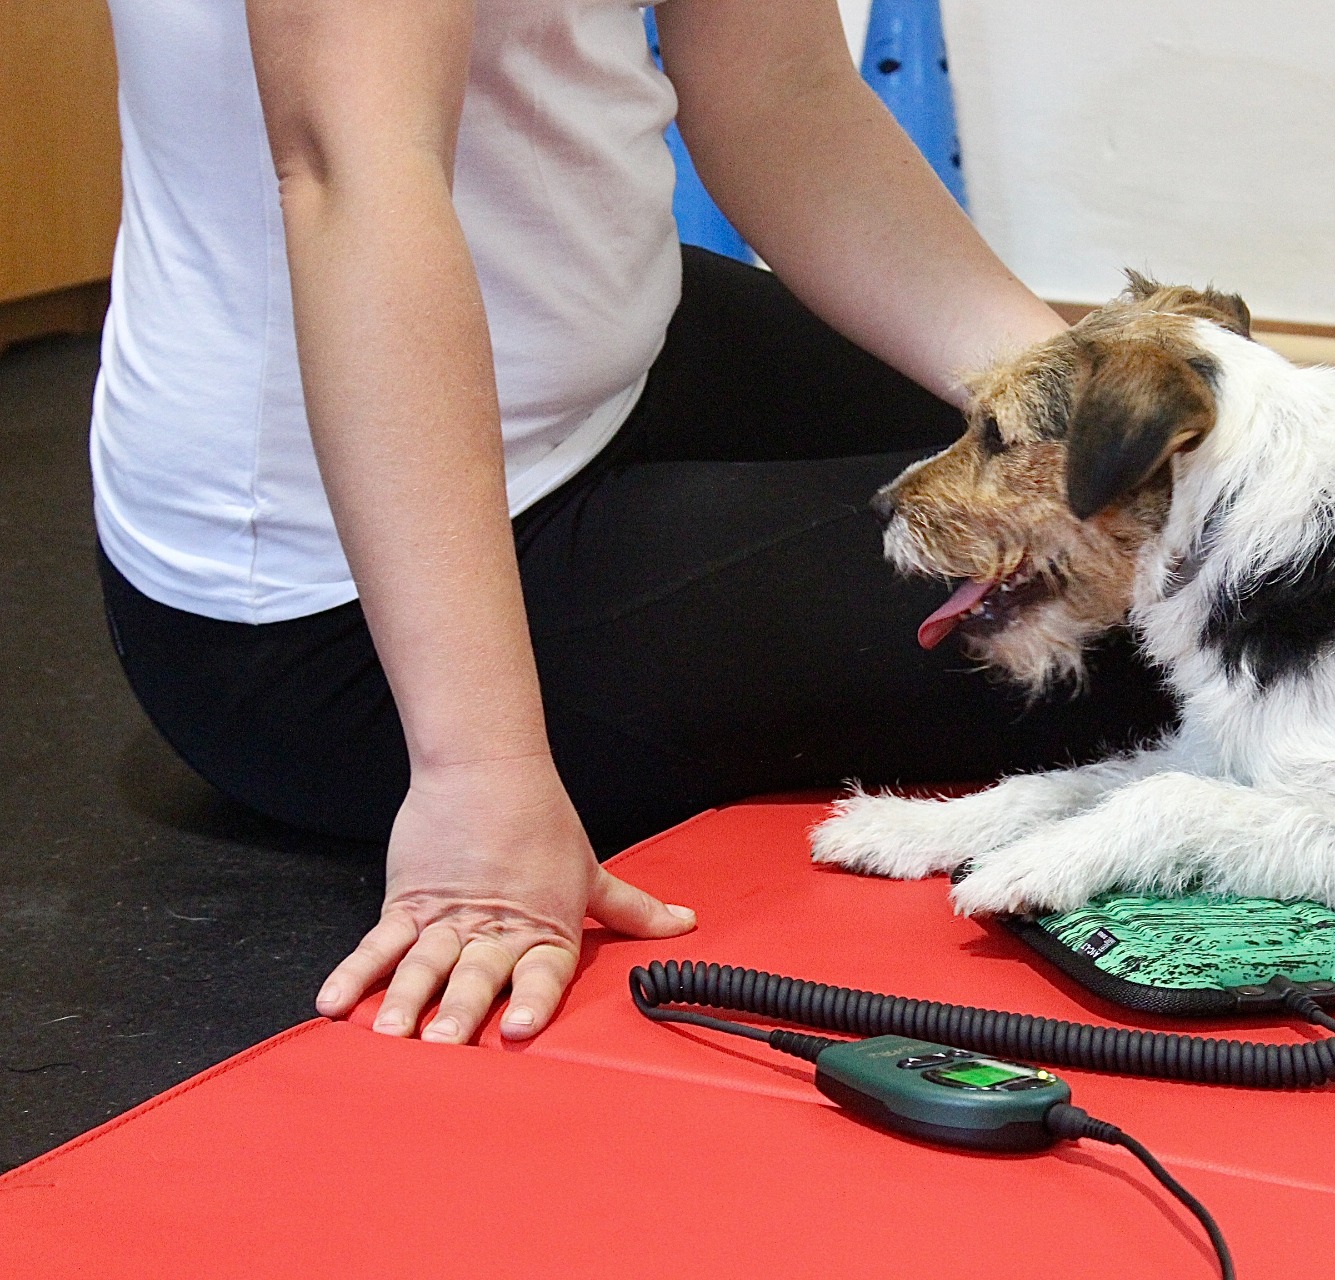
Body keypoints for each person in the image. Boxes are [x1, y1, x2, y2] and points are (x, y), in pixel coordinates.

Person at [93, 0, 1170, 1048]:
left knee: (1199, 525)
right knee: (1183, 625)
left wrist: (1096, 404)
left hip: (628, 365)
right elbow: (350, 176)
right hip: (329, 597)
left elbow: (780, 94)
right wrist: (477, 771)